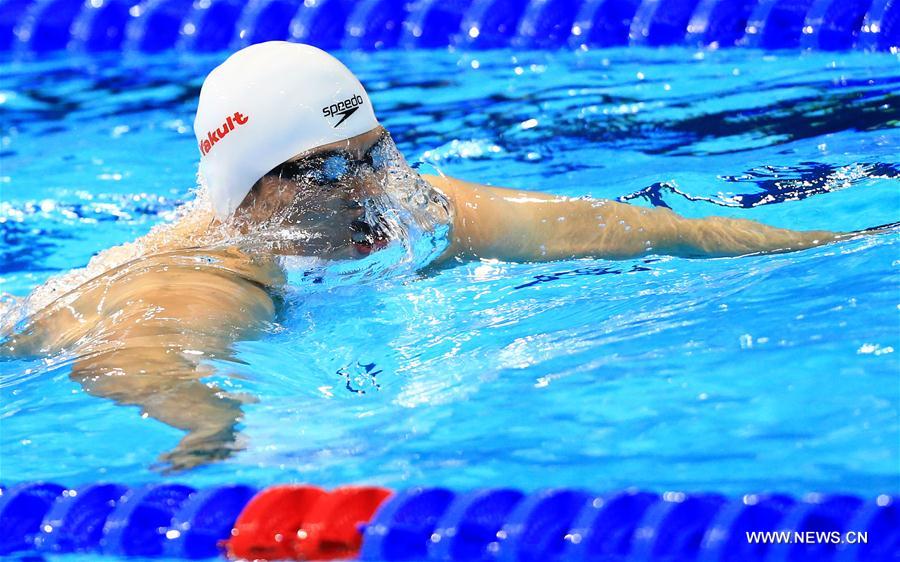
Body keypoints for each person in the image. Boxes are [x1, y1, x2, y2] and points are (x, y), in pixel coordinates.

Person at [2, 42, 856, 471]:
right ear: (255, 193)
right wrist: (208, 425)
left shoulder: (418, 211)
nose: (370, 190)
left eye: (375, 153)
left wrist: (838, 244)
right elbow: (138, 357)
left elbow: (646, 228)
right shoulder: (207, 280)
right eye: (331, 170)